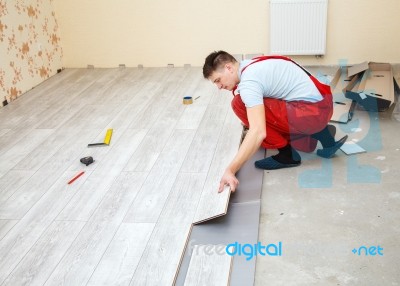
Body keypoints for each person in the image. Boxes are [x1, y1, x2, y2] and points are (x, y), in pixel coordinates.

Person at [202, 51, 348, 193]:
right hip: (323, 105)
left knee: (239, 104)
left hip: (311, 113)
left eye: (218, 80)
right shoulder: (251, 64)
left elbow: (258, 132)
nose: (219, 87)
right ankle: (324, 135)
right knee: (252, 107)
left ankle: (287, 155)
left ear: (229, 67)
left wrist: (230, 170)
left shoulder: (249, 82)